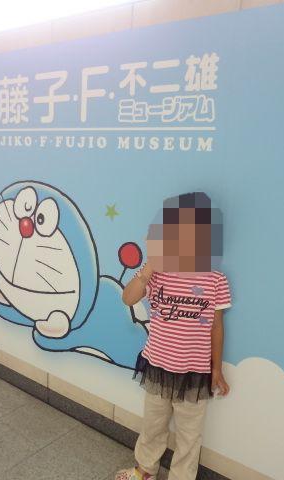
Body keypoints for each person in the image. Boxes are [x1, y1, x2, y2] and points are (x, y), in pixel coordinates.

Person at [115, 192, 232, 480]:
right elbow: (128, 298)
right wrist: (149, 267)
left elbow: (216, 327)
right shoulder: (158, 274)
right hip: (158, 367)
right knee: (153, 427)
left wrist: (216, 369)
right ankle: (144, 471)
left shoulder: (215, 280)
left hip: (195, 374)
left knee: (189, 437)